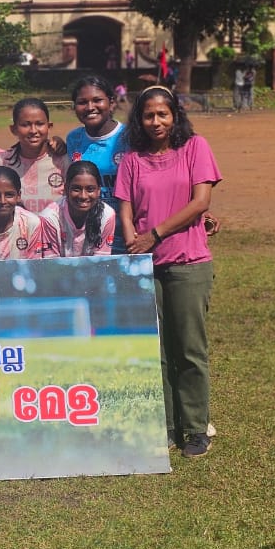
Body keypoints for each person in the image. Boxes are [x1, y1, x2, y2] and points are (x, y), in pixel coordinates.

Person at [116, 85, 222, 459]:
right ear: (139, 120)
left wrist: (154, 235)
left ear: (175, 115)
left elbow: (201, 201)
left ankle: (195, 428)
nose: (156, 121)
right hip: (146, 265)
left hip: (188, 263)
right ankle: (164, 426)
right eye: (148, 115)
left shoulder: (195, 148)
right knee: (156, 350)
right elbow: (125, 209)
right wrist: (134, 244)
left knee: (189, 348)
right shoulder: (132, 159)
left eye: (163, 114)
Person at [65, 75, 130, 253]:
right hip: (87, 239)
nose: (90, 107)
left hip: (126, 237)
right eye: (82, 102)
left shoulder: (130, 137)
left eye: (97, 100)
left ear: (112, 103)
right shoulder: (73, 139)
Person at [0, 166, 57, 261]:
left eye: (9, 195)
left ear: (18, 196)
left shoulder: (31, 223)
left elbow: (33, 264)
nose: (2, 201)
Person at [1, 98, 68, 214]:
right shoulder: (4, 162)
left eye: (39, 124)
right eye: (25, 125)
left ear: (49, 126)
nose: (33, 130)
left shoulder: (63, 160)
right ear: (13, 129)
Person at [40, 161, 116, 257]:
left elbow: (101, 261)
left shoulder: (107, 215)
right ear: (66, 189)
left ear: (98, 190)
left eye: (90, 189)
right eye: (76, 189)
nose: (83, 196)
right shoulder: (50, 218)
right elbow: (51, 262)